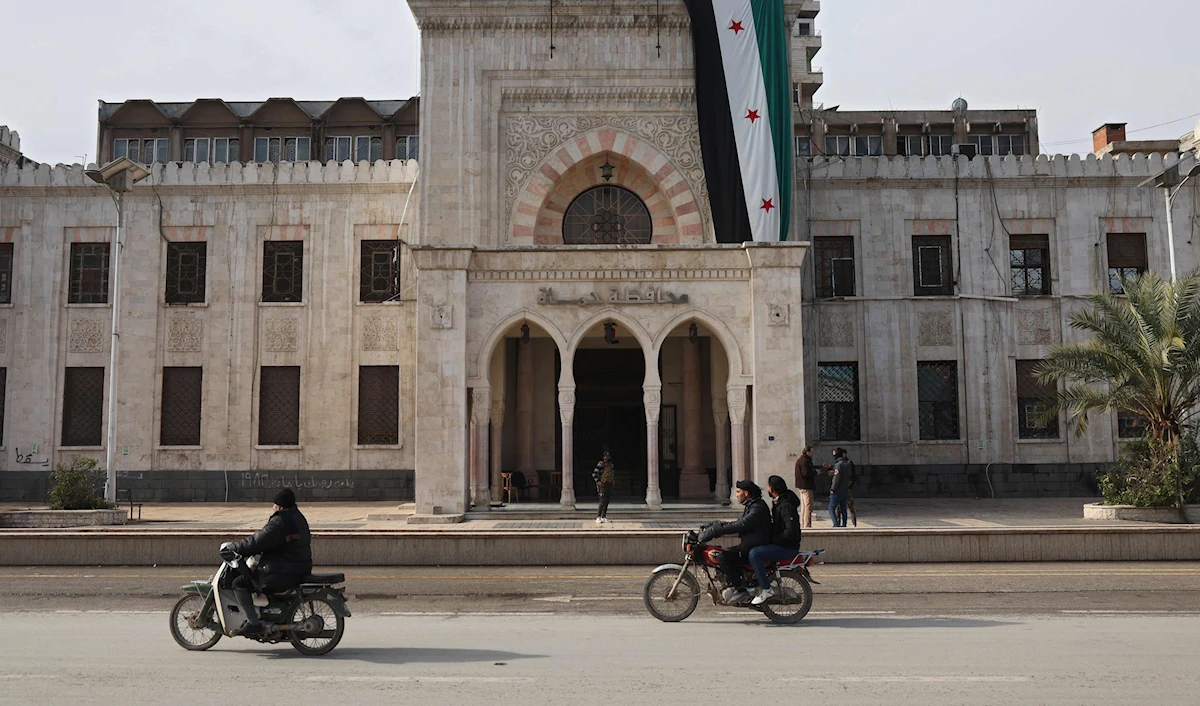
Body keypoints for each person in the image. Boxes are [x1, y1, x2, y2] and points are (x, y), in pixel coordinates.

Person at [223, 488, 312, 637]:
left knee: (240, 583)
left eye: (274, 504)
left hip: (283, 570)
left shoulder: (280, 522)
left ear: (279, 506)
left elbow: (257, 541)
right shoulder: (297, 517)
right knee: (256, 573)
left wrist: (235, 547)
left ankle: (253, 623)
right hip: (298, 566)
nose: (273, 508)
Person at [697, 479, 771, 604]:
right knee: (725, 553)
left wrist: (717, 531)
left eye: (738, 491)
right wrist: (714, 525)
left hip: (754, 547)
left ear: (746, 493)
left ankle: (740, 589)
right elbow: (737, 522)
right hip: (749, 545)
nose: (736, 495)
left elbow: (742, 524)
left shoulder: (757, 507)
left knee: (723, 557)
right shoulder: (752, 505)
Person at [748, 475, 802, 605]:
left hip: (788, 547)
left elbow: (790, 532)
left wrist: (773, 540)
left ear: (772, 489)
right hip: (782, 544)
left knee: (755, 554)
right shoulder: (779, 503)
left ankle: (766, 589)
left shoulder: (786, 506)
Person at [822, 448, 852, 528]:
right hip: (845, 489)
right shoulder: (847, 464)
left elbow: (837, 478)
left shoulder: (838, 465)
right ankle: (844, 524)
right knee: (843, 509)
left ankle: (836, 524)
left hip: (837, 490)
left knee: (831, 508)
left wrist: (833, 489)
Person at [793, 446, 816, 528]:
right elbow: (806, 472)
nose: (813, 454)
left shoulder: (801, 460)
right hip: (806, 486)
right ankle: (807, 525)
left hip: (801, 486)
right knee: (808, 507)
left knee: (804, 507)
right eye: (812, 452)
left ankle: (803, 524)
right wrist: (815, 472)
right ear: (807, 452)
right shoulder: (805, 461)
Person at [592, 452, 616, 524]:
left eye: (608, 456)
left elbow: (612, 473)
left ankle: (603, 516)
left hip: (609, 484)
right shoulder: (601, 464)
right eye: (605, 456)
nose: (606, 458)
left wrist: (613, 480)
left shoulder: (611, 465)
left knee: (607, 501)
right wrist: (598, 481)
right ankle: (598, 516)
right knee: (602, 501)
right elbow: (594, 474)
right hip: (602, 484)